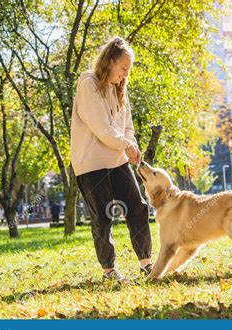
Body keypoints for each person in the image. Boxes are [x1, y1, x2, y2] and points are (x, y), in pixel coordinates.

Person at [70, 37, 152, 281]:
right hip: (91, 162)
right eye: (123, 68)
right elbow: (102, 128)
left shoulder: (120, 89)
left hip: (117, 160)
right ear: (110, 61)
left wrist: (132, 144)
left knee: (138, 207)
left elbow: (127, 128)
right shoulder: (88, 83)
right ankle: (109, 270)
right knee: (103, 216)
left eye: (129, 69)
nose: (126, 74)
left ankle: (146, 263)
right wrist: (125, 145)